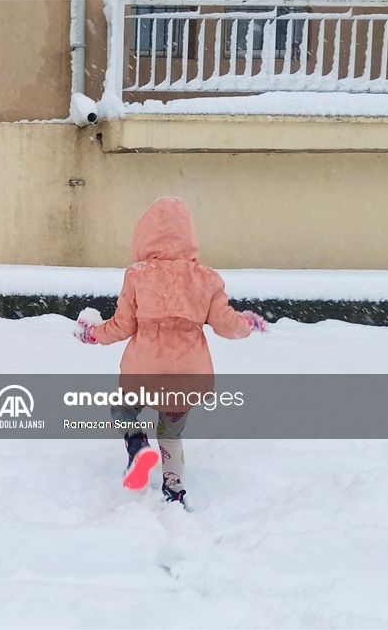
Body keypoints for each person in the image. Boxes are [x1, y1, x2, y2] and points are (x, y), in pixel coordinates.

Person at [76, 197, 267, 507]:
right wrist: (247, 324)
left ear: (145, 235)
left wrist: (94, 334)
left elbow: (123, 325)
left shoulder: (138, 275)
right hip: (186, 376)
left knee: (123, 410)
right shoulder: (207, 279)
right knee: (170, 432)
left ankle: (137, 446)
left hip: (143, 371)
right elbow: (226, 324)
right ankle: (174, 488)